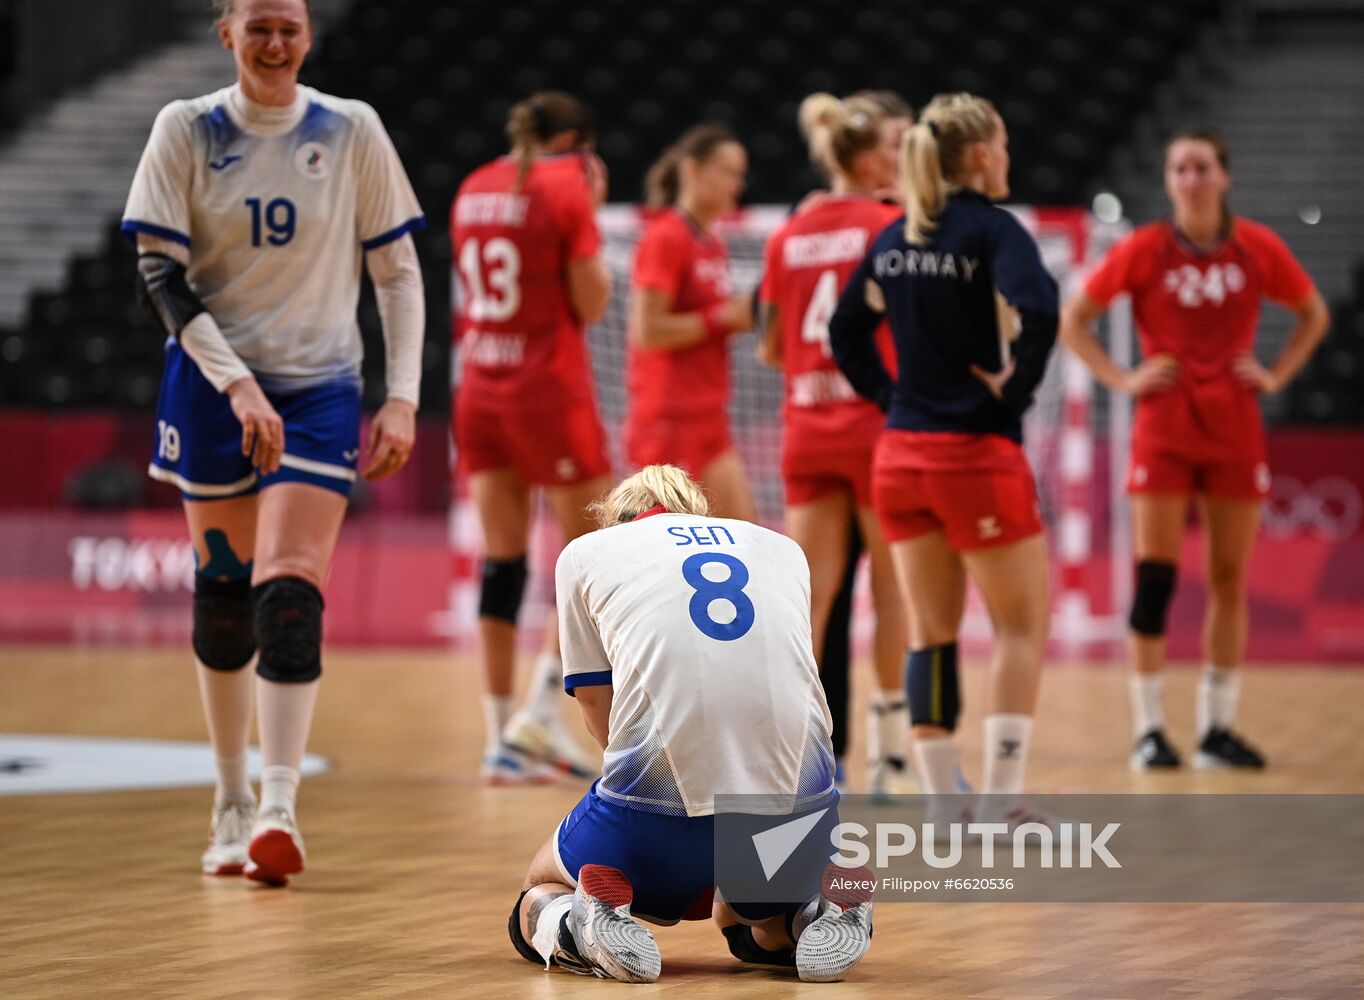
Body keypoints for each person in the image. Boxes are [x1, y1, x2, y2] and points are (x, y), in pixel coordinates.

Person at [122, 0, 425, 884]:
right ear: (227, 33)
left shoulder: (352, 129)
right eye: (258, 25)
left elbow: (397, 272)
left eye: (290, 26)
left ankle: (281, 805)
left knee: (289, 591)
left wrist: (400, 398)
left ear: (309, 35)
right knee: (222, 591)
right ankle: (228, 798)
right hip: (213, 383)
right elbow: (156, 273)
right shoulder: (184, 128)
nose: (276, 42)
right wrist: (237, 383)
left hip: (323, 387)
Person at [507, 465, 874, 984]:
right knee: (749, 916)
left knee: (539, 888)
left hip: (656, 822)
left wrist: (643, 805)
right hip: (802, 816)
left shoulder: (587, 554)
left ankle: (581, 923)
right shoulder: (782, 549)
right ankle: (813, 911)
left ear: (620, 519)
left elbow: (596, 703)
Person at [1059, 127, 1328, 770]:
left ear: (1224, 177)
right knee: (1155, 579)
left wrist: (1276, 374)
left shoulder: (1257, 247)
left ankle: (1216, 729)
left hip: (1234, 428)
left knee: (1230, 581)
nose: (1190, 179)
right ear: (1168, 181)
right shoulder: (1145, 249)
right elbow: (1075, 321)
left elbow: (1312, 313)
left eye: (1201, 167)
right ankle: (1149, 731)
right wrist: (1123, 378)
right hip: (1165, 429)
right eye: (1179, 168)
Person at [829, 93, 1058, 818]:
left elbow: (844, 330)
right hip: (972, 456)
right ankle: (1000, 807)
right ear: (984, 154)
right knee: (1021, 625)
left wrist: (888, 395)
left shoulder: (896, 234)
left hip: (898, 457)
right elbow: (1043, 308)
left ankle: (940, 804)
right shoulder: (991, 230)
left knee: (931, 633)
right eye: (1006, 144)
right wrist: (1012, 394)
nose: (1010, 158)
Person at [451, 92, 613, 785]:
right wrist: (590, 205)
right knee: (591, 553)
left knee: (503, 564)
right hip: (545, 389)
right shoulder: (565, 187)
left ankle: (497, 740)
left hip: (479, 387)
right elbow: (593, 302)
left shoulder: (473, 185)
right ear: (575, 141)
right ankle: (541, 712)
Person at [758, 92, 909, 796]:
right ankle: (889, 756)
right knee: (894, 591)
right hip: (877, 428)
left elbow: (768, 347)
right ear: (871, 158)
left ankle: (800, 760)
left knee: (806, 607)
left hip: (806, 429)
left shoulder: (790, 233)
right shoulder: (891, 224)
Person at [626, 126, 756, 519]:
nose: (739, 184)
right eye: (729, 172)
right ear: (693, 171)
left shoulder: (713, 241)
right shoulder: (666, 237)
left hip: (708, 416)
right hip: (668, 420)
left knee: (745, 537)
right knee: (668, 550)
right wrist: (721, 318)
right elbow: (646, 331)